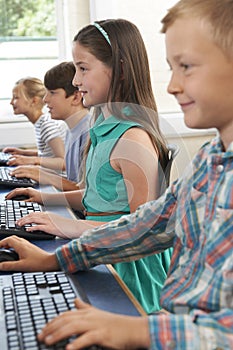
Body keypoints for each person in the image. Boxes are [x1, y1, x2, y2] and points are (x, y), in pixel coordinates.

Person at [1, 0, 233, 348]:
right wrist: (55, 259)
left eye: (186, 66)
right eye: (172, 68)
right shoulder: (210, 160)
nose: (171, 86)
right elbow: (147, 224)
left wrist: (137, 330)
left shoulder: (134, 138)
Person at [5, 18, 172, 314]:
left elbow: (143, 231)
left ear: (119, 68)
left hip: (128, 271)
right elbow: (93, 196)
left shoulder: (133, 138)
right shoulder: (103, 124)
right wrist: (45, 198)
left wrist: (69, 225)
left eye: (83, 68)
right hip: (98, 245)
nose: (75, 81)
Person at [9, 62, 91, 191]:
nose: (45, 99)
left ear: (75, 97)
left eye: (52, 93)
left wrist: (40, 172)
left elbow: (87, 192)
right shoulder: (72, 129)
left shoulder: (88, 132)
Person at [3, 77, 67, 171]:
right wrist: (23, 153)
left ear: (34, 101)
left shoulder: (47, 126)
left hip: (55, 181)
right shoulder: (40, 123)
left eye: (16, 97)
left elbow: (64, 162)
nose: (11, 102)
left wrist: (32, 160)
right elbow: (48, 155)